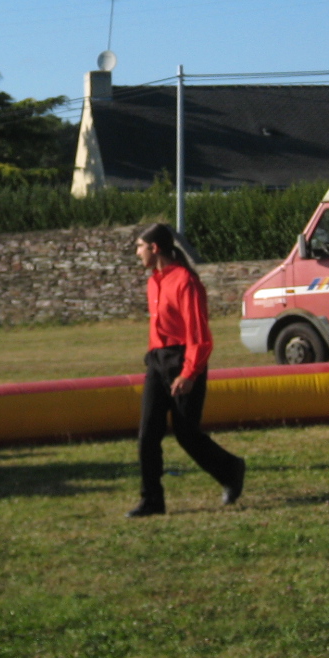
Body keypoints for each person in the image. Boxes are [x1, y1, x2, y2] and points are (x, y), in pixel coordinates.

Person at [127, 222, 246, 518]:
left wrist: (189, 373)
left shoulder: (185, 281)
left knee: (187, 434)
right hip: (157, 361)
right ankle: (151, 500)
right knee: (147, 433)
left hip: (183, 360)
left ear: (155, 248)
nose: (137, 253)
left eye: (140, 247)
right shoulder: (153, 282)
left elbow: (199, 335)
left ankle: (231, 469)